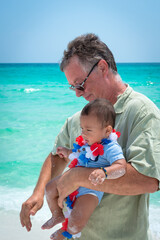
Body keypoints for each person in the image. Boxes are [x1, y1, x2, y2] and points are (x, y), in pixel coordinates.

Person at [20, 33, 160, 240]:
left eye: (80, 83)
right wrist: (39, 193)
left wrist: (78, 176)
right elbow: (57, 156)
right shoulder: (79, 119)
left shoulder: (142, 111)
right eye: (73, 87)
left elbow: (149, 180)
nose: (77, 93)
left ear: (102, 67)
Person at [41, 99, 126, 239]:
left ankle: (66, 232)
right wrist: (67, 152)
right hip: (73, 181)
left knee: (77, 220)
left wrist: (104, 172)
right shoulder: (87, 143)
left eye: (88, 129)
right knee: (49, 188)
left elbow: (121, 167)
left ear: (107, 130)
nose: (83, 133)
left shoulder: (111, 148)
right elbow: (79, 155)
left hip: (91, 189)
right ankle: (57, 214)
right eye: (82, 128)